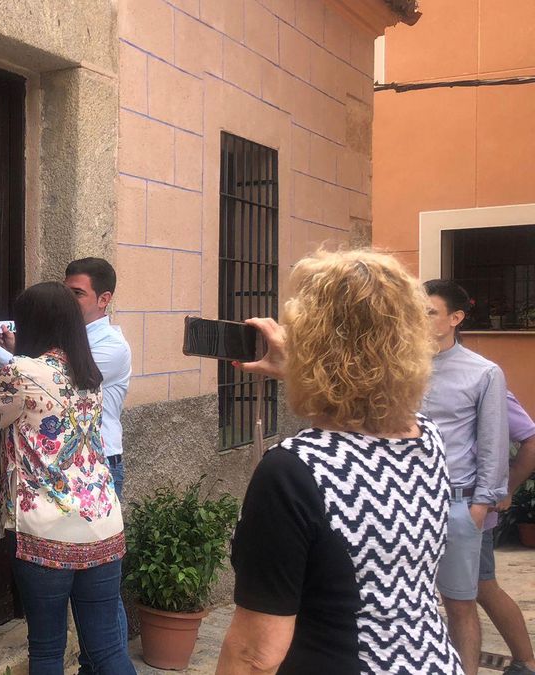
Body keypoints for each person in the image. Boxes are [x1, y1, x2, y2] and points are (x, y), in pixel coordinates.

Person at [217, 249, 461, 674]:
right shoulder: (428, 437)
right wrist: (302, 372)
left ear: (312, 344)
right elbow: (360, 411)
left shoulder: (292, 471)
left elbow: (256, 654)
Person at [0, 281, 136, 675]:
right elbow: (19, 394)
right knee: (106, 649)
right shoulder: (86, 373)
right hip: (103, 528)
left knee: (48, 650)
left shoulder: (24, 370)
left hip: (46, 533)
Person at [0, 258, 133, 497]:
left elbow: (48, 381)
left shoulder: (112, 347)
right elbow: (36, 373)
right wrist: (16, 350)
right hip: (57, 459)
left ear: (104, 299)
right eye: (66, 293)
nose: (68, 301)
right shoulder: (64, 342)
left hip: (97, 459)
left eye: (77, 294)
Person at [422, 279, 511, 675]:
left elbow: (494, 443)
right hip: (403, 502)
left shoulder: (483, 373)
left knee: (461, 603)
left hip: (457, 506)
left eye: (428, 312)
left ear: (454, 318)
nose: (417, 320)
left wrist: (479, 507)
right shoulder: (396, 366)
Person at [478, 392, 535, 675]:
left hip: (471, 510)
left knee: (481, 587)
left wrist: (508, 489)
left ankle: (525, 661)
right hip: (422, 510)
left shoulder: (484, 380)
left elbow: (530, 439)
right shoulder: (406, 378)